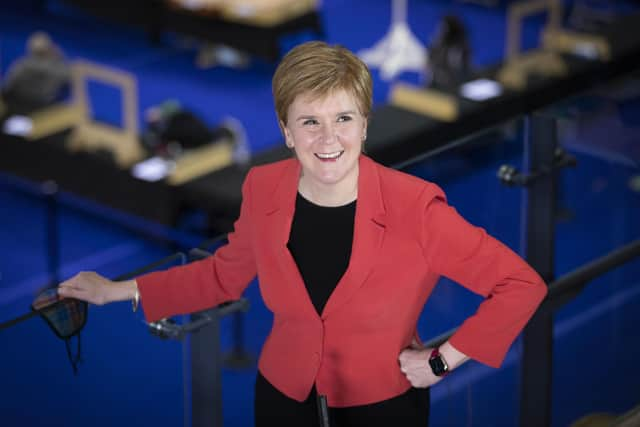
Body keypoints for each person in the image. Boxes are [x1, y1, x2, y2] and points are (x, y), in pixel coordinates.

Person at [57, 41, 547, 426]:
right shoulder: (262, 188)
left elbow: (521, 285)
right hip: (282, 400)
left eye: (343, 119)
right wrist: (117, 291)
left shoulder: (416, 207)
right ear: (286, 131)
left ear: (365, 125)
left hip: (383, 407)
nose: (328, 139)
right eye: (309, 122)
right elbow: (222, 278)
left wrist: (441, 363)